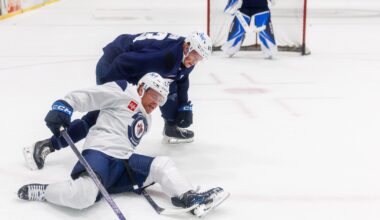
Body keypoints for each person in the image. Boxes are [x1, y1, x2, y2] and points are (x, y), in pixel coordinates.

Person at [18, 73, 228, 217]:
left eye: (161, 100)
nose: (156, 103)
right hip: (100, 153)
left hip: (123, 164)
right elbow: (90, 96)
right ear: (142, 87)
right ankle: (44, 191)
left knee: (162, 164)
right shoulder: (123, 90)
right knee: (83, 197)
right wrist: (65, 105)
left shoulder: (147, 119)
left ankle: (187, 196)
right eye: (154, 95)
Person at [23, 31, 213, 171]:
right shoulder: (165, 58)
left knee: (166, 95)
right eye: (194, 57)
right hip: (114, 65)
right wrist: (117, 93)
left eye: (199, 59)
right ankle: (47, 145)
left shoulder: (184, 56)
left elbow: (180, 78)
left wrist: (184, 106)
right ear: (187, 47)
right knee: (99, 117)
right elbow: (124, 62)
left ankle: (171, 126)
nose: (194, 62)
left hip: (136, 68)